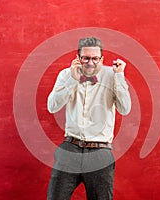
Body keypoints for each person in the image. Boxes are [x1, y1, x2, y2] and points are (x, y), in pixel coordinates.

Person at [47, 37, 131, 200]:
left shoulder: (113, 76)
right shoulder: (65, 75)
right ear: (78, 58)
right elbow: (52, 107)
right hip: (70, 147)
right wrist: (73, 79)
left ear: (101, 59)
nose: (90, 63)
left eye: (95, 58)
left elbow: (125, 108)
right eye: (86, 58)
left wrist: (119, 77)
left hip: (100, 151)